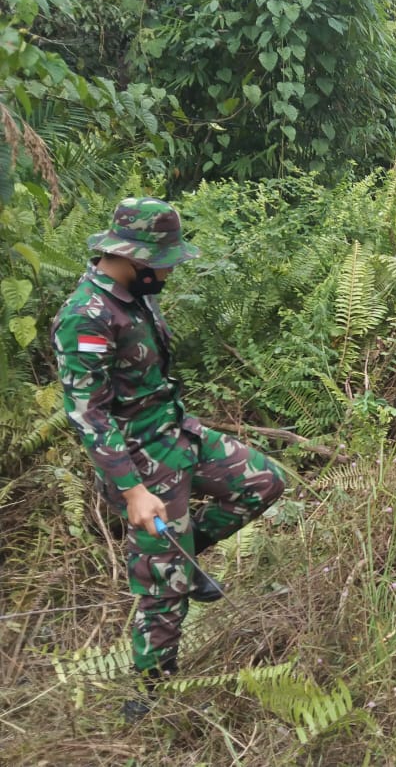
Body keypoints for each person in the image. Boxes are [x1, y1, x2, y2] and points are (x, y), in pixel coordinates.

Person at [51, 197, 286, 718]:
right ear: (132, 257)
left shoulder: (137, 296)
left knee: (264, 482)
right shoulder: (86, 316)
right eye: (163, 261)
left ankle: (180, 553)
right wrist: (133, 490)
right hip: (139, 460)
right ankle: (149, 697)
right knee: (166, 593)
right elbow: (90, 415)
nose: (170, 270)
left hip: (179, 434)